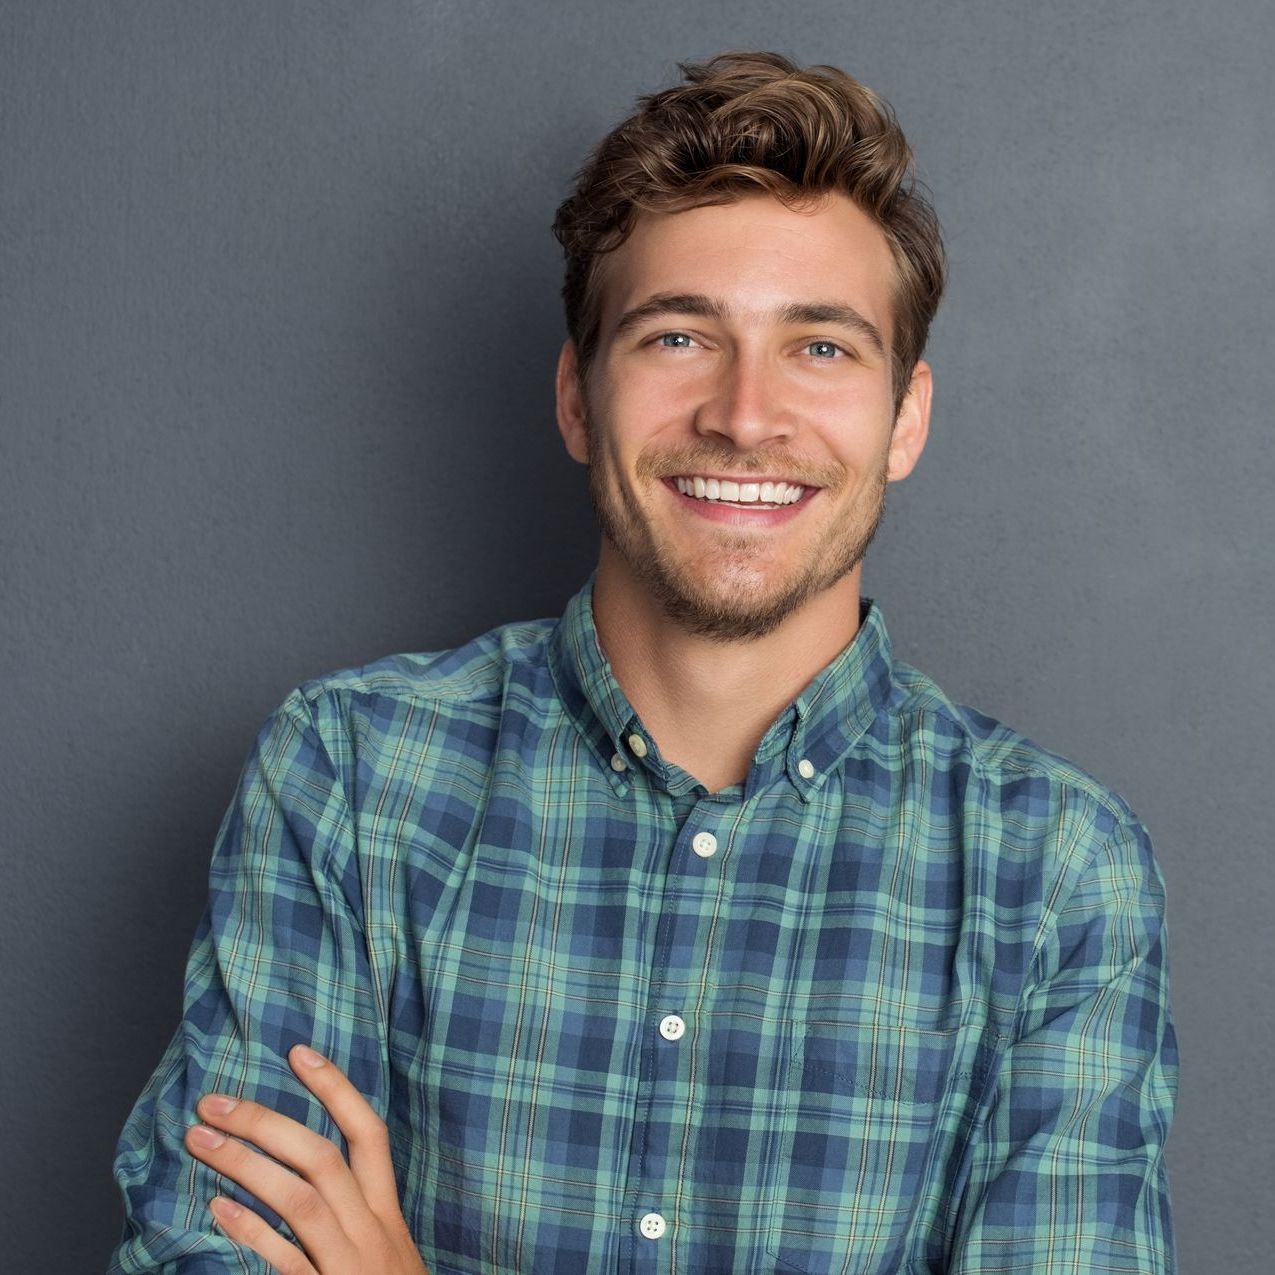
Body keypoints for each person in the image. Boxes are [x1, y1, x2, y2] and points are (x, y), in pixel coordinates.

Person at [109, 50, 1178, 1274]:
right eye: (678, 335)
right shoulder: (352, 777)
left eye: (821, 348)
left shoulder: (1055, 872)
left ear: (907, 419)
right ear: (578, 398)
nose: (744, 414)